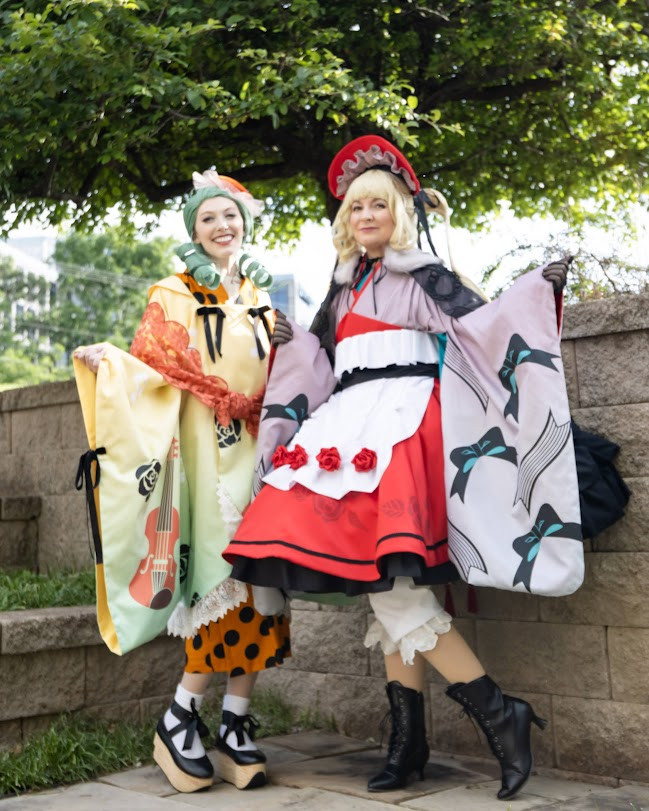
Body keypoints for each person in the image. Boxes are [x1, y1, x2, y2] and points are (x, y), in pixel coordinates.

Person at [223, 135, 581, 800]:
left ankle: (493, 718)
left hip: (404, 430)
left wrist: (534, 289)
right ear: (344, 221)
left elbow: (486, 326)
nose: (364, 216)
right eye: (354, 207)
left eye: (377, 204)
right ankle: (416, 739)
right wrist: (293, 339)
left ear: (398, 211)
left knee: (392, 583)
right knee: (387, 580)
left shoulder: (422, 275)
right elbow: (325, 363)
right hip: (345, 428)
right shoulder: (341, 287)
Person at [73, 170, 290, 794]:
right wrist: (108, 361)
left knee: (266, 586)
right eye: (208, 219)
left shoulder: (262, 296)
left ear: (245, 223)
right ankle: (179, 714)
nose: (223, 227)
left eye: (231, 216)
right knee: (222, 583)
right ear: (194, 229)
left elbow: (285, 373)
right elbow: (150, 366)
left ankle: (234, 721)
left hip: (258, 452)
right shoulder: (171, 292)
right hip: (201, 452)